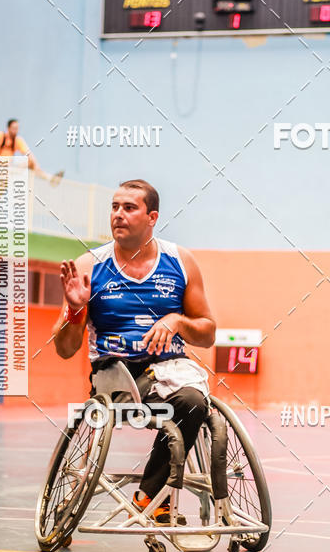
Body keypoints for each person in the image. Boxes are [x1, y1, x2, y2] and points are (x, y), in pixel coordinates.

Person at [53, 178, 216, 524]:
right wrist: (76, 311)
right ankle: (155, 497)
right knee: (176, 397)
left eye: (129, 208)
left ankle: (149, 495)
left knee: (194, 403)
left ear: (152, 217)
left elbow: (208, 333)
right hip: (117, 380)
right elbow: (65, 349)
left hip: (170, 373)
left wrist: (177, 321)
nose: (118, 214)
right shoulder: (88, 266)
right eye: (114, 207)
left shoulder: (180, 261)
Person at [0, 119, 64, 185]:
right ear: (8, 128)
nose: (15, 131)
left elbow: (28, 154)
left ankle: (50, 179)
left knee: (31, 163)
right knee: (0, 192)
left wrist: (36, 165)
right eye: (13, 128)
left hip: (7, 169)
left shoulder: (17, 140)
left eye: (17, 129)